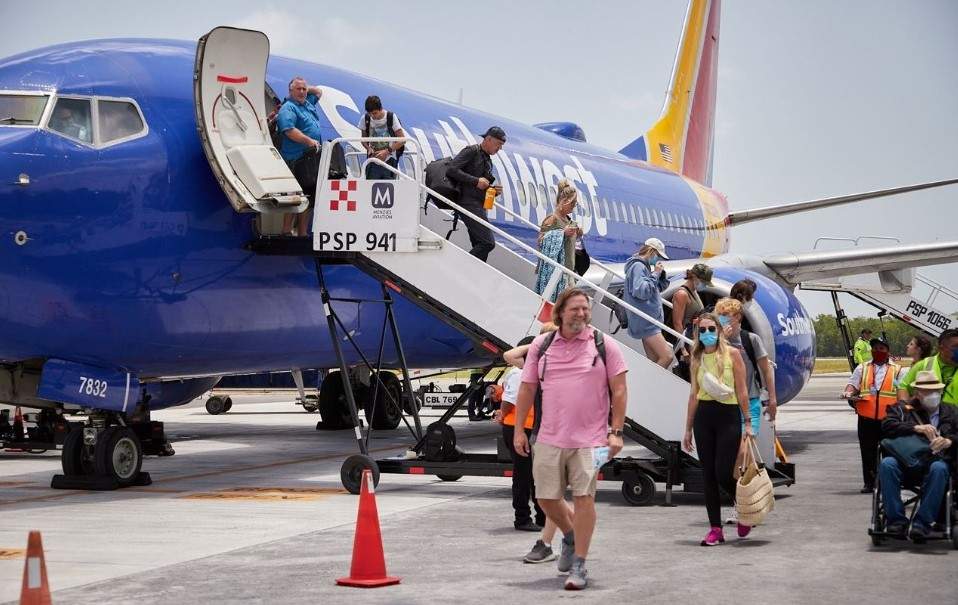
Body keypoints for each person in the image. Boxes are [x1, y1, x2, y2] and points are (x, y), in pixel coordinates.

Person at [512, 288, 628, 590]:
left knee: (584, 497)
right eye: (575, 309)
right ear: (560, 312)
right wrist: (518, 430)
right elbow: (526, 388)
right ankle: (570, 533)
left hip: (593, 440)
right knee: (546, 499)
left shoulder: (605, 345)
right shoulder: (542, 345)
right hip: (550, 436)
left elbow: (619, 390)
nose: (582, 314)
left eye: (585, 309)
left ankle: (579, 563)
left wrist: (616, 432)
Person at [682, 313, 754, 546]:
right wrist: (688, 428)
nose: (706, 334)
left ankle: (744, 509)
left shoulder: (733, 354)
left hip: (728, 416)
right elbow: (693, 395)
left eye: (711, 329)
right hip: (704, 416)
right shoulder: (697, 358)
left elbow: (742, 390)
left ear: (720, 331)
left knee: (724, 472)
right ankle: (715, 529)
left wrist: (748, 422)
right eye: (702, 330)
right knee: (708, 476)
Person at [879, 370, 957, 542]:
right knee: (887, 464)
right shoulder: (901, 409)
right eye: (926, 392)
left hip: (936, 462)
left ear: (941, 391)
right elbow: (887, 426)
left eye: (935, 391)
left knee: (939, 468)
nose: (932, 395)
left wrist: (949, 441)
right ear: (917, 393)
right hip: (905, 462)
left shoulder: (951, 412)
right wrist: (915, 428)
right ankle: (897, 521)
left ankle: (922, 523)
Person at [496, 335, 547, 532]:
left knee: (536, 475)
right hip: (518, 428)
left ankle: (542, 516)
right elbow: (509, 402)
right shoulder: (519, 373)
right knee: (524, 476)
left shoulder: (533, 371)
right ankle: (522, 518)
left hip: (529, 428)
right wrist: (502, 416)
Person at [843, 339, 906, 493]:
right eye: (875, 348)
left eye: (881, 348)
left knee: (890, 453)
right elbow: (852, 384)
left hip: (889, 420)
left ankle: (889, 482)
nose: (877, 350)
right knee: (867, 452)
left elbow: (902, 393)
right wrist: (848, 392)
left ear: (888, 351)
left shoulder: (898, 370)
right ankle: (869, 483)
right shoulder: (862, 368)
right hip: (866, 418)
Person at [714, 298, 777, 435]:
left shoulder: (751, 339)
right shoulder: (715, 340)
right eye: (719, 315)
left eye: (725, 314)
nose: (721, 318)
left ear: (737, 316)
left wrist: (772, 399)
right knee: (734, 450)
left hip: (750, 400)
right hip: (725, 404)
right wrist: (722, 340)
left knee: (745, 446)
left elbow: (767, 369)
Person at [446, 127, 506, 261]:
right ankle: (462, 267)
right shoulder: (472, 151)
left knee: (480, 245)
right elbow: (451, 169)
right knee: (488, 243)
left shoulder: (488, 160)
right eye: (498, 144)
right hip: (468, 203)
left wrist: (493, 191)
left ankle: (473, 276)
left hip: (479, 204)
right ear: (488, 139)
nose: (499, 149)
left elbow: (480, 185)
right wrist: (475, 181)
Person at [276, 77, 324, 237]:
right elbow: (288, 130)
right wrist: (309, 141)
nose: (303, 92)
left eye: (304, 89)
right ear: (290, 91)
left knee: (308, 197)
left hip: (310, 159)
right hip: (295, 159)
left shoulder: (307, 104)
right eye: (298, 89)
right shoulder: (288, 108)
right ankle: (286, 230)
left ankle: (302, 232)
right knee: (294, 197)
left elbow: (318, 91)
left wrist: (303, 87)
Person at [623, 237, 673, 368]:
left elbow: (655, 288)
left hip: (648, 321)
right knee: (667, 356)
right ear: (651, 252)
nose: (658, 259)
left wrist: (660, 276)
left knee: (654, 359)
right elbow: (642, 291)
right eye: (658, 255)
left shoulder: (643, 267)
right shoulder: (638, 267)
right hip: (646, 322)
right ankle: (651, 384)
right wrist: (655, 274)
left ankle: (650, 383)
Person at [535, 180, 582, 301]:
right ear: (563, 202)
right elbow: (541, 240)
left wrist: (577, 234)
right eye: (572, 203)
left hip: (568, 271)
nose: (573, 207)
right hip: (555, 272)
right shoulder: (552, 219)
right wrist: (561, 233)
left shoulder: (569, 221)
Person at [670, 263, 711, 379]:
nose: (705, 286)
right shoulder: (682, 294)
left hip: (693, 341)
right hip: (685, 344)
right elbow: (677, 322)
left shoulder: (694, 292)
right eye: (705, 282)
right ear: (695, 278)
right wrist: (683, 350)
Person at [898, 328, 958, 406]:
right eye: (956, 347)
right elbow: (903, 388)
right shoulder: (924, 365)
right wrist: (904, 408)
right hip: (927, 417)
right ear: (941, 348)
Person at [357, 95, 406, 180]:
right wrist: (368, 148)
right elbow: (363, 139)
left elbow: (402, 140)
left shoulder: (390, 117)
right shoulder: (365, 119)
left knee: (388, 188)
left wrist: (387, 151)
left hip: (389, 159)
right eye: (370, 113)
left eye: (375, 113)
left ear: (380, 109)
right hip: (373, 159)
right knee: (370, 187)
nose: (373, 116)